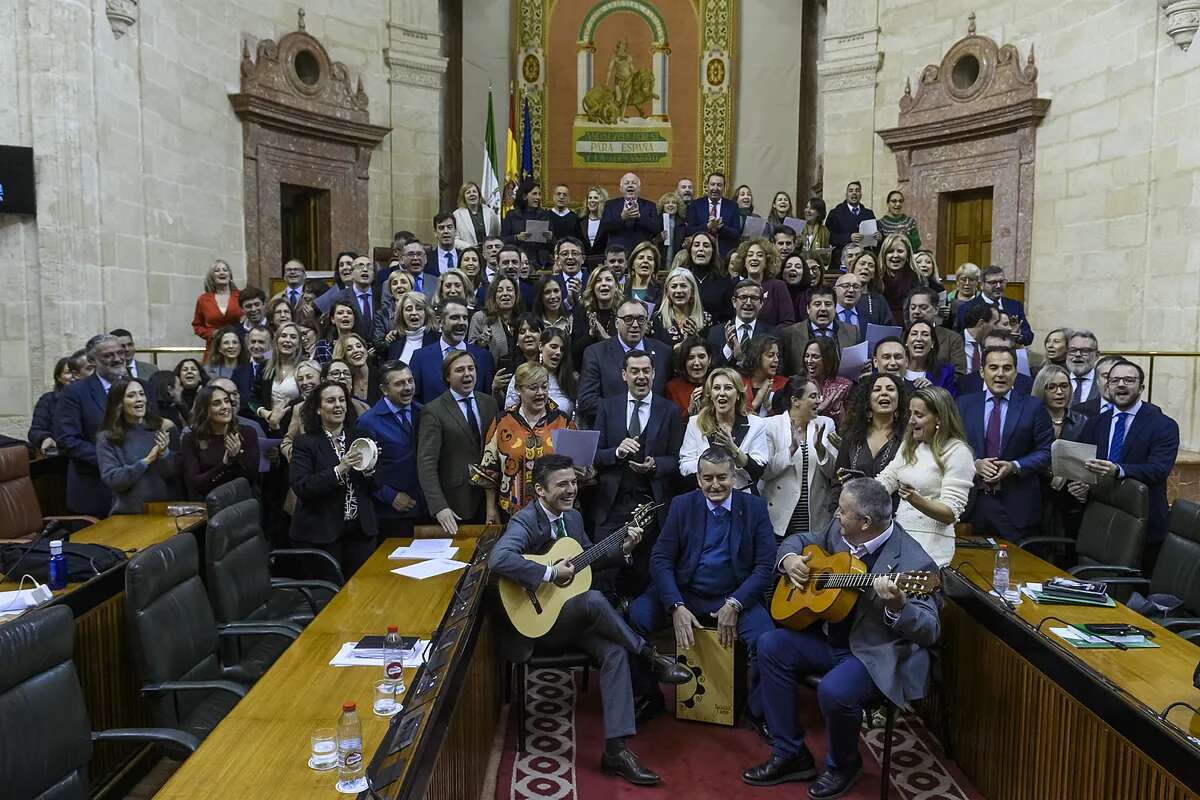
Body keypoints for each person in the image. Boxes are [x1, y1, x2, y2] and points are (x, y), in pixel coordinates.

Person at [488, 454, 690, 786]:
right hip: (537, 624)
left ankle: (616, 751)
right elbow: (500, 559)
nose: (571, 490)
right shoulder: (525, 521)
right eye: (562, 484)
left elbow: (587, 561)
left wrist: (623, 548)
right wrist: (550, 571)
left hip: (573, 617)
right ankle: (650, 656)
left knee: (613, 652)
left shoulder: (575, 518)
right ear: (540, 490)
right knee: (595, 599)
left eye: (573, 482)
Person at [746, 478, 940, 798]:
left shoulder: (914, 563)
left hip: (873, 651)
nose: (836, 516)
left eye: (843, 512)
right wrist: (790, 560)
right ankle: (790, 753)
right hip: (829, 640)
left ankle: (844, 766)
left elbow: (931, 630)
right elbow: (799, 540)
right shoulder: (839, 532)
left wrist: (898, 607)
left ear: (865, 522)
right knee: (770, 644)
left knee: (834, 690)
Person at [629, 446, 776, 718]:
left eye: (722, 477)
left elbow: (764, 566)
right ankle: (649, 697)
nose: (715, 485)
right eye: (708, 478)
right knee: (636, 617)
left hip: (734, 595)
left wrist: (736, 603)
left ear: (734, 477)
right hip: (685, 592)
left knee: (767, 641)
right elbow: (660, 559)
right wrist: (675, 605)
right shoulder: (682, 505)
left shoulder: (755, 508)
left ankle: (760, 711)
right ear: (698, 479)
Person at [1073, 360, 1181, 569]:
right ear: (1108, 386)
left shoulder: (1163, 425)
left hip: (1144, 524)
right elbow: (1084, 463)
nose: (1121, 384)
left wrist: (1119, 470)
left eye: (1128, 380)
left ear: (1141, 387)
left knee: (1133, 593)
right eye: (1115, 380)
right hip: (1100, 521)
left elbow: (1158, 470)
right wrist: (1079, 484)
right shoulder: (1096, 423)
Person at [592, 350, 684, 591]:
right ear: (624, 375)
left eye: (646, 371)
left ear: (654, 374)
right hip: (611, 506)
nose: (641, 376)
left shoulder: (670, 411)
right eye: (634, 371)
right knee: (604, 576)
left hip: (653, 509)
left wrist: (655, 465)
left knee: (645, 577)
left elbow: (677, 460)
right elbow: (595, 455)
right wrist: (617, 453)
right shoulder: (607, 407)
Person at [957, 346, 1053, 543]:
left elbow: (1045, 451)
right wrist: (973, 464)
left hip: (1017, 507)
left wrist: (1014, 466)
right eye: (993, 367)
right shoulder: (963, 404)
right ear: (982, 371)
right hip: (973, 503)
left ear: (1016, 372)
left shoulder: (1033, 406)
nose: (1000, 374)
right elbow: (948, 446)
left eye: (1007, 368)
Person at [871, 386, 975, 566]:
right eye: (910, 413)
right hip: (899, 540)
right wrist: (860, 493)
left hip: (932, 549)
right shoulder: (910, 445)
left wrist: (915, 499)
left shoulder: (958, 452)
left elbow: (950, 513)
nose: (911, 420)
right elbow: (887, 479)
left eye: (919, 415)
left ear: (939, 419)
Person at [289, 380, 378, 577]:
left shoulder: (361, 437)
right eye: (330, 401)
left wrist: (370, 470)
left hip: (360, 531)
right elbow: (302, 486)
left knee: (364, 591)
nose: (338, 405)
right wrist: (339, 470)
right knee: (331, 596)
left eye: (342, 400)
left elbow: (375, 485)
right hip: (322, 533)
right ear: (318, 409)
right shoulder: (305, 443)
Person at [416, 350, 499, 535]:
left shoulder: (489, 403)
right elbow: (426, 463)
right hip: (455, 505)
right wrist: (439, 507)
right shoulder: (434, 410)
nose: (467, 374)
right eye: (460, 370)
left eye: (471, 368)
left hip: (489, 502)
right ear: (447, 376)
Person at [478, 362, 574, 521]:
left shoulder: (563, 421)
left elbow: (577, 467)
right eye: (533, 388)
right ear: (518, 390)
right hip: (512, 514)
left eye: (544, 387)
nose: (540, 393)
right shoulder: (502, 421)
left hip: (557, 513)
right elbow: (489, 470)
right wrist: (491, 509)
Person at [55, 335, 128, 516]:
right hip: (94, 489)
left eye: (121, 353)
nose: (118, 359)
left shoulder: (139, 387)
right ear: (93, 360)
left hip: (135, 488)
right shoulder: (75, 392)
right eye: (109, 355)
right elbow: (67, 440)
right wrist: (110, 460)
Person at [761, 378, 837, 540]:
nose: (819, 401)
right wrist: (791, 449)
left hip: (814, 515)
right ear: (795, 401)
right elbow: (765, 473)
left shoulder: (826, 424)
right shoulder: (770, 426)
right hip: (780, 515)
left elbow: (834, 473)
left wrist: (820, 449)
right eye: (813, 396)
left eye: (819, 396)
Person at [577, 298, 671, 426]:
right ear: (617, 323)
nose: (635, 324)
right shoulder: (596, 353)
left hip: (655, 433)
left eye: (641, 319)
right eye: (628, 319)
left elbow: (669, 397)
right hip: (611, 431)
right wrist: (627, 409)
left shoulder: (663, 352)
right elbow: (587, 401)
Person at [97, 378, 180, 515]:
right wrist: (146, 461)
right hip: (128, 514)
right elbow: (114, 480)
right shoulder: (107, 437)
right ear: (119, 403)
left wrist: (164, 453)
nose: (139, 399)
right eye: (131, 395)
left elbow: (174, 474)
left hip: (164, 512)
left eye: (141, 394)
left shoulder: (163, 428)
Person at [680, 367, 770, 492]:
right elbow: (684, 467)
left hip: (742, 497)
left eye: (728, 388)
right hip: (706, 496)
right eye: (716, 388)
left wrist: (734, 450)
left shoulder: (756, 424)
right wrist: (713, 464)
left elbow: (758, 471)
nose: (721, 393)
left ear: (738, 394)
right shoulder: (695, 423)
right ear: (711, 394)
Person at [832, 374, 909, 509]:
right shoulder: (852, 436)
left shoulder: (908, 438)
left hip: (894, 518)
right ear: (867, 399)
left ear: (899, 399)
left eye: (890, 389)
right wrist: (836, 512)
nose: (884, 393)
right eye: (877, 389)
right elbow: (838, 481)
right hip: (854, 517)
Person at [1031, 364, 1088, 540]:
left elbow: (1088, 460)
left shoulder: (1083, 421)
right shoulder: (1030, 418)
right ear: (1042, 389)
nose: (1059, 392)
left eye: (1064, 386)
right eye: (1052, 387)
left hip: (1069, 498)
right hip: (1035, 493)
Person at [407, 298, 495, 405]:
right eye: (455, 318)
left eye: (465, 318)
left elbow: (487, 399)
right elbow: (414, 400)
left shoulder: (483, 357)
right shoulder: (420, 357)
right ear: (440, 322)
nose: (462, 323)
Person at [180, 383, 260, 500]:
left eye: (226, 401)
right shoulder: (191, 439)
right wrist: (224, 464)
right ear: (204, 410)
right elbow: (194, 485)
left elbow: (252, 479)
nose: (225, 406)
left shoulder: (247, 433)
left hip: (242, 501)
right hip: (208, 502)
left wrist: (236, 458)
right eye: (216, 403)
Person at [780, 286, 858, 376]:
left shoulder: (852, 332)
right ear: (808, 309)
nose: (823, 309)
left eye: (828, 304)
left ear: (835, 308)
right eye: (817, 304)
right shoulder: (789, 334)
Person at [504, 327, 576, 417]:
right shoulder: (524, 374)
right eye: (554, 347)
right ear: (541, 346)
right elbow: (509, 413)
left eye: (562, 349)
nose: (558, 352)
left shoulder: (570, 380)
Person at [955, 266, 1033, 345]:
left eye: (1001, 282)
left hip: (1008, 354)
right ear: (981, 285)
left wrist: (1017, 334)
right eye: (993, 282)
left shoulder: (1015, 306)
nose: (998, 286)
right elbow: (959, 338)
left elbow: (1029, 337)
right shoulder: (967, 308)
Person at [248, 323, 303, 436]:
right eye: (283, 336)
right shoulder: (265, 366)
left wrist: (290, 404)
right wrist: (265, 413)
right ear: (276, 341)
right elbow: (253, 399)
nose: (287, 340)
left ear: (298, 344)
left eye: (293, 337)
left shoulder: (305, 366)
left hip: (296, 429)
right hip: (268, 427)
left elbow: (310, 397)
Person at [729, 239, 795, 327]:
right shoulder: (735, 286)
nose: (754, 258)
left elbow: (788, 322)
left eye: (760, 255)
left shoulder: (778, 287)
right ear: (744, 262)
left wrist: (767, 336)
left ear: (767, 262)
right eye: (750, 255)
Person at [570, 263, 622, 365]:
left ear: (616, 286)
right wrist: (591, 335)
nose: (603, 283)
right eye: (598, 281)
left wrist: (605, 337)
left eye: (608, 279)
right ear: (593, 287)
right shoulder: (582, 310)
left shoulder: (624, 310)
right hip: (589, 366)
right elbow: (573, 351)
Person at [678, 230, 735, 324]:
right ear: (690, 250)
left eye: (706, 245)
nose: (701, 249)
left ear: (712, 251)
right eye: (696, 245)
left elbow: (728, 317)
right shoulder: (679, 279)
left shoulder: (724, 282)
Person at [601, 172, 663, 256]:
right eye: (627, 183)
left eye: (634, 183)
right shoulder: (610, 204)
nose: (630, 185)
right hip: (617, 252)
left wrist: (640, 217)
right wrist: (622, 217)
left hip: (642, 251)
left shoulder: (650, 205)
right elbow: (604, 226)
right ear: (621, 188)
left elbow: (656, 228)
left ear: (639, 188)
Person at [956, 330, 1034, 396]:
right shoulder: (964, 384)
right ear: (981, 352)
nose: (997, 355)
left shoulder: (1029, 385)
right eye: (991, 349)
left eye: (1004, 350)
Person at [468, 273, 523, 367]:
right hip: (492, 374)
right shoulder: (480, 318)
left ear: (516, 294)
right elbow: (471, 352)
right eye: (500, 290)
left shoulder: (522, 319)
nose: (505, 293)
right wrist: (480, 343)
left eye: (509, 290)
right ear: (493, 295)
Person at [908, 288, 967, 373]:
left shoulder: (952, 339)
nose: (916, 311)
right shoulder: (901, 337)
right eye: (913, 308)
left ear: (936, 310)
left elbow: (958, 373)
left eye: (923, 307)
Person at [684, 171, 741, 259]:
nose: (715, 188)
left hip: (724, 256)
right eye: (712, 184)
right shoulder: (695, 205)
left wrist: (721, 227)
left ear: (724, 187)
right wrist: (707, 226)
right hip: (701, 255)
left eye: (719, 185)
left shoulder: (732, 206)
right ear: (707, 186)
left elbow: (736, 233)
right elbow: (689, 231)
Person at [191, 259, 242, 356]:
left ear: (230, 275)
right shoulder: (203, 299)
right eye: (217, 270)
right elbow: (197, 325)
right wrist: (212, 333)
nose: (221, 272)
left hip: (237, 347)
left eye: (225, 270)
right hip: (213, 349)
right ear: (212, 277)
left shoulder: (240, 296)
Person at [649, 267, 710, 346]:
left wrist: (695, 339)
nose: (678, 291)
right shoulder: (657, 319)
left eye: (683, 286)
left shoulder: (705, 319)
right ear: (668, 292)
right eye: (674, 286)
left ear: (692, 291)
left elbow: (709, 351)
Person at [802, 337, 854, 427]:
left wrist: (836, 411)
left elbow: (849, 426)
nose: (809, 361)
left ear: (828, 359)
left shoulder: (844, 387)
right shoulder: (799, 384)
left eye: (815, 357)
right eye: (807, 356)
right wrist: (820, 409)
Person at [501, 178, 553, 268]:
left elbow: (554, 243)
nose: (538, 197)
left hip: (542, 263)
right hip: (518, 261)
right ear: (524, 196)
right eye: (534, 194)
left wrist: (550, 238)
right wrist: (517, 237)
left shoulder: (545, 215)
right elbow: (503, 240)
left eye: (539, 194)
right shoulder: (512, 215)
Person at [825, 181, 875, 272]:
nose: (854, 193)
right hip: (840, 260)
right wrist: (849, 237)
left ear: (861, 194)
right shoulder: (835, 213)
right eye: (851, 190)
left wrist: (877, 237)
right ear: (846, 194)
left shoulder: (868, 214)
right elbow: (829, 237)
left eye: (857, 191)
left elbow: (875, 237)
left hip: (863, 260)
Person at [28, 357, 74, 452]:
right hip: (60, 453)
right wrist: (45, 438)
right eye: (68, 372)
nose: (73, 376)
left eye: (76, 372)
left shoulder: (92, 398)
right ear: (58, 377)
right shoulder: (48, 400)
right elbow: (35, 431)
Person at [905, 320, 958, 395]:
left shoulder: (945, 372)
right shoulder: (896, 368)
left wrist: (933, 391)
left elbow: (951, 404)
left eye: (925, 334)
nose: (919, 339)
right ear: (906, 342)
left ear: (932, 343)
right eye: (914, 334)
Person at [664, 337, 713, 419]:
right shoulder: (672, 388)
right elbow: (671, 423)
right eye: (691, 358)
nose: (696, 363)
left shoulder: (717, 383)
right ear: (684, 361)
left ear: (709, 359)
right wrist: (689, 412)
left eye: (701, 357)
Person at [740, 334, 787, 417]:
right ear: (756, 357)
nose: (776, 360)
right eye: (770, 355)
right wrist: (756, 401)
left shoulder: (784, 385)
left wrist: (769, 408)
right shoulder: (740, 383)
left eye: (777, 356)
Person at [879, 234, 919, 325]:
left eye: (900, 251)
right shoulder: (875, 280)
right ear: (884, 255)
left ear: (908, 254)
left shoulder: (918, 280)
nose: (895, 255)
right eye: (890, 251)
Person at [850, 250, 896, 326]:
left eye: (871, 265)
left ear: (873, 275)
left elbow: (889, 328)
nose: (866, 267)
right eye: (862, 264)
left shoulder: (879, 300)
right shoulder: (841, 295)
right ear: (853, 268)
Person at [453, 181, 501, 250]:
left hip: (488, 254)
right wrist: (469, 247)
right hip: (468, 254)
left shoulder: (490, 212)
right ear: (463, 197)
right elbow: (454, 239)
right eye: (468, 192)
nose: (472, 194)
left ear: (479, 194)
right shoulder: (457, 215)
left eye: (474, 191)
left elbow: (497, 234)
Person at [1072, 354, 1123, 418]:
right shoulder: (1077, 411)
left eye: (1117, 377)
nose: (1111, 382)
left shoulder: (1138, 412)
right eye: (1106, 376)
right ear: (1097, 380)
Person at [1064, 330, 1103, 404]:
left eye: (1085, 351)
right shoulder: (1056, 379)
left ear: (1097, 355)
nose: (1077, 354)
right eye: (1073, 350)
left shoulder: (1104, 382)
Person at [960, 302, 998, 376]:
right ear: (981, 324)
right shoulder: (953, 342)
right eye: (995, 323)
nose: (996, 328)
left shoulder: (988, 346)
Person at [624, 241, 661, 307]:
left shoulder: (661, 290)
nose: (645, 261)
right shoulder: (622, 288)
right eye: (641, 258)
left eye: (650, 259)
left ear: (654, 266)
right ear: (632, 264)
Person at [945, 262, 982, 329]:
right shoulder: (949, 297)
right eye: (963, 280)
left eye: (971, 280)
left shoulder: (982, 297)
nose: (967, 283)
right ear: (957, 281)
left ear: (977, 282)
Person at [577, 185, 609, 261]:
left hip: (603, 261)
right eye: (590, 198)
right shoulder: (581, 221)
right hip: (584, 262)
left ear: (601, 201)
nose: (592, 200)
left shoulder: (607, 221)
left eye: (595, 198)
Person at [655, 191, 687, 266]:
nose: (670, 205)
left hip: (678, 260)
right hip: (660, 259)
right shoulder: (656, 221)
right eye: (667, 203)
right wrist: (658, 239)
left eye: (674, 203)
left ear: (678, 206)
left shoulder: (683, 223)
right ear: (663, 206)